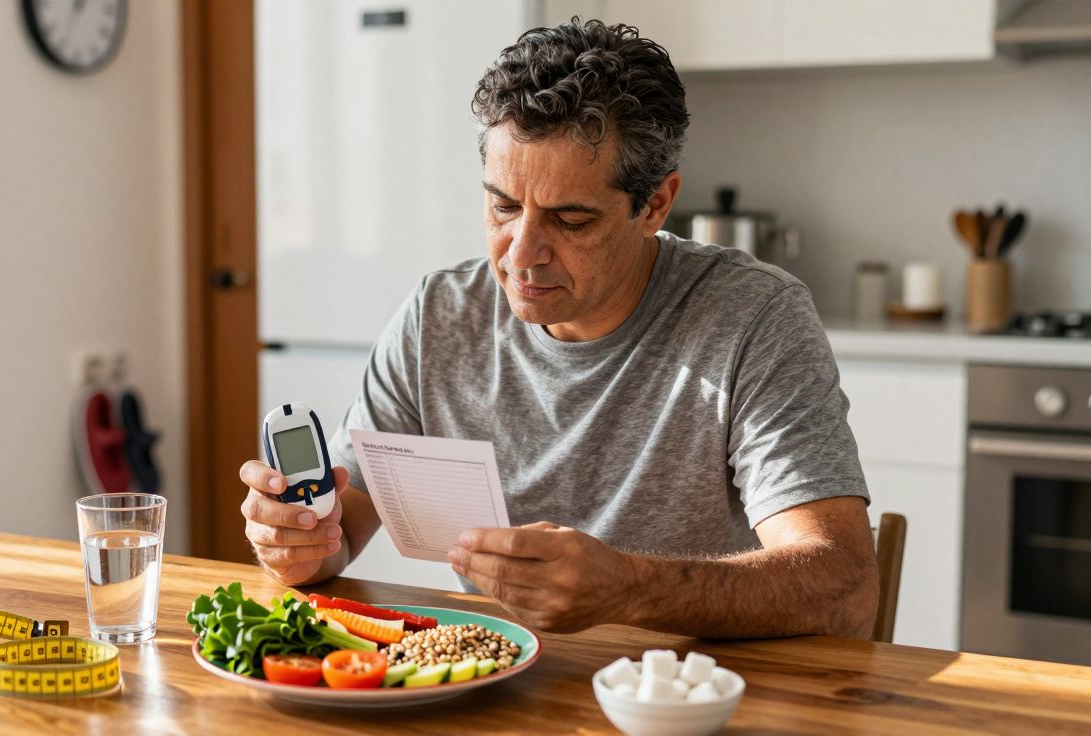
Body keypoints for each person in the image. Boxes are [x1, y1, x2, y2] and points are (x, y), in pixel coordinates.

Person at [240, 18, 878, 639]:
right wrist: (294, 542)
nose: (520, 255)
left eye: (570, 220)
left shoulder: (753, 318)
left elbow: (844, 585)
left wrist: (629, 588)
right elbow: (336, 537)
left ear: (654, 204)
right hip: (494, 686)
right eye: (503, 206)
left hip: (683, 695)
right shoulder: (439, 315)